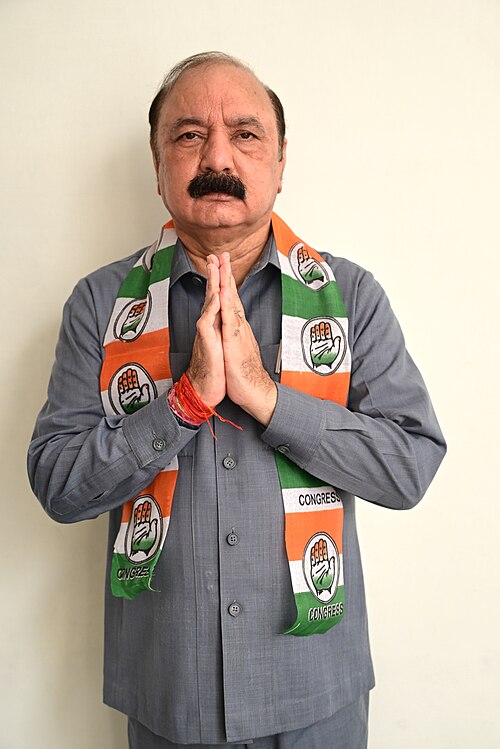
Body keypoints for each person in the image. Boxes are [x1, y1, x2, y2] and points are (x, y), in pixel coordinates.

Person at [28, 51, 446, 749]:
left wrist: (270, 400)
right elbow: (58, 485)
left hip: (316, 697)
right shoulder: (100, 305)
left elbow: (410, 467)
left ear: (281, 163)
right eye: (189, 135)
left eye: (245, 134)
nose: (217, 156)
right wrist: (183, 404)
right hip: (170, 700)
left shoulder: (350, 298)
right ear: (158, 166)